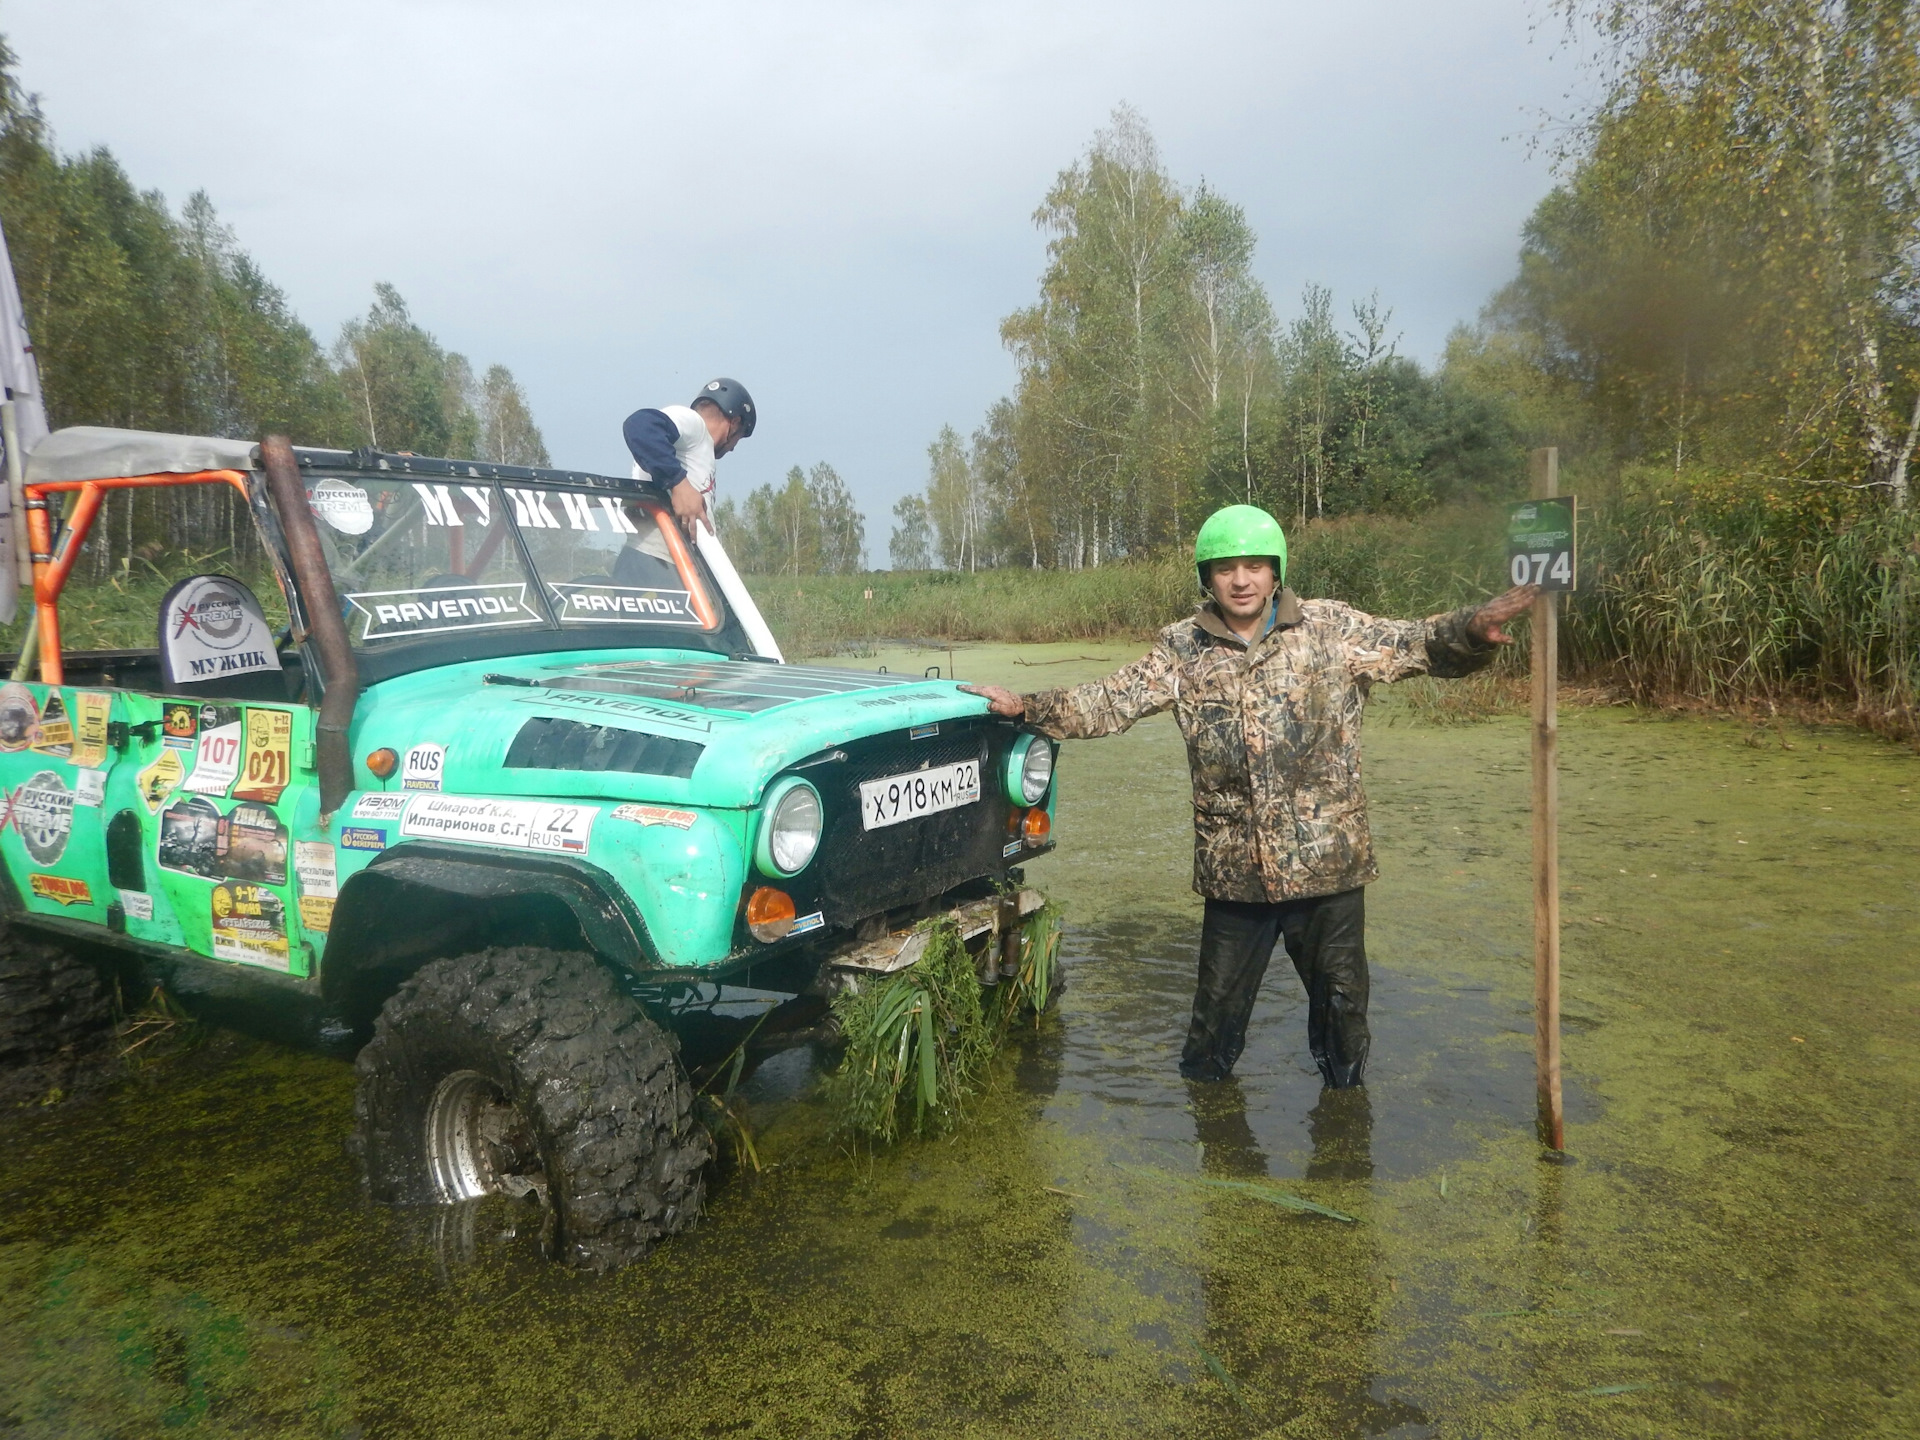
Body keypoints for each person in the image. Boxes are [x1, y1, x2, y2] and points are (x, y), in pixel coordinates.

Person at [963, 504, 1535, 1090]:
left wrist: (1473, 628)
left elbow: (1413, 643)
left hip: (1327, 865)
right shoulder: (1183, 648)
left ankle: (1344, 1117)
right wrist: (1028, 706)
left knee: (1343, 1022)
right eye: (1226, 568)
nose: (1241, 580)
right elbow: (1109, 700)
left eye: (1255, 566)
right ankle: (1210, 1123)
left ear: (1275, 571)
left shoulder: (1330, 628)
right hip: (1235, 871)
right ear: (1207, 578)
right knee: (1211, 1033)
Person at [617, 378, 756, 587]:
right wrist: (679, 484)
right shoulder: (694, 424)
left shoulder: (698, 446)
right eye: (739, 437)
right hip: (656, 565)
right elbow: (640, 425)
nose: (734, 447)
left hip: (666, 564)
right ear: (734, 422)